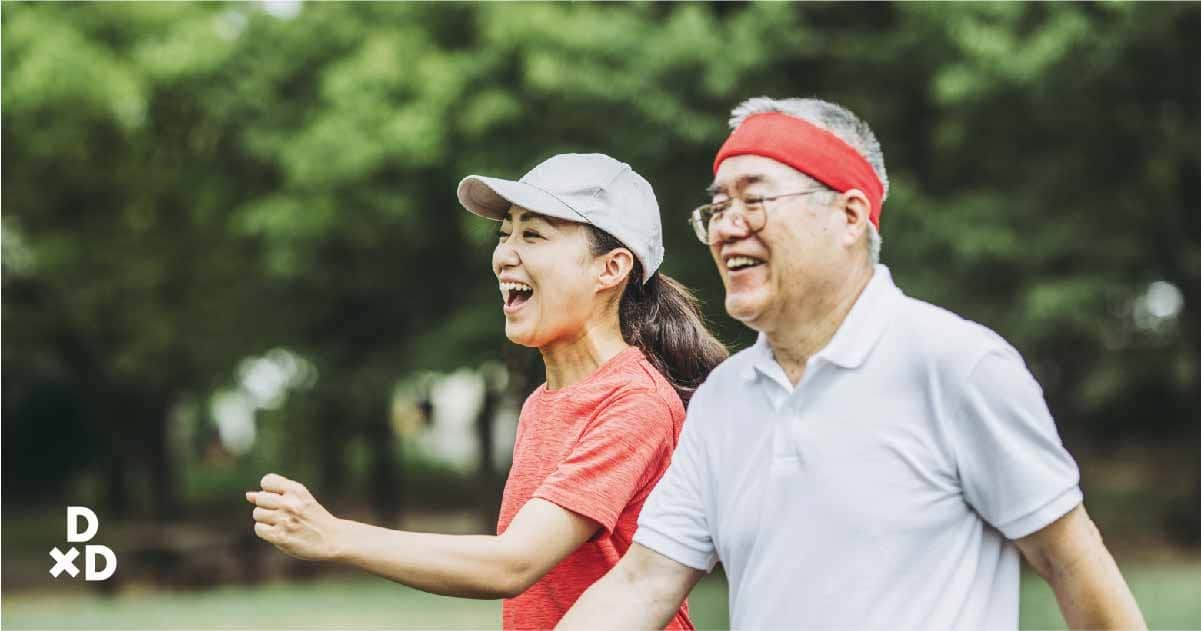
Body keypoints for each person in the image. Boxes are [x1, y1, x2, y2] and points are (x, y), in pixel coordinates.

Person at [557, 98, 1147, 630]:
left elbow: (1070, 562)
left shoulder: (956, 364)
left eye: (754, 200)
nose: (727, 228)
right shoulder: (723, 399)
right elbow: (642, 584)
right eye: (717, 208)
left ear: (849, 215)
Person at [245, 153, 727, 630]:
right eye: (505, 234)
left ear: (610, 269)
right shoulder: (544, 402)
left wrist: (335, 535)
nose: (504, 255)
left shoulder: (634, 403)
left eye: (533, 235)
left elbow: (511, 564)